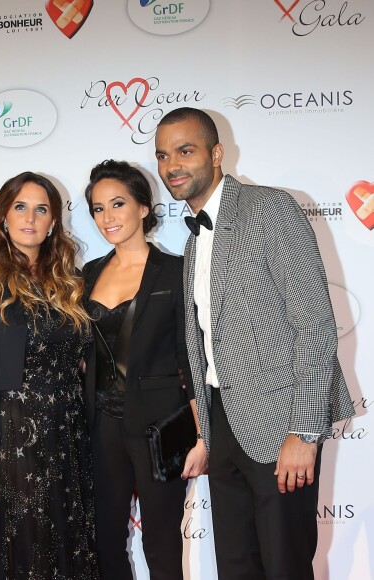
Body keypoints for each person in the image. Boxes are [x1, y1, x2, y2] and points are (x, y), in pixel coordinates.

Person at [154, 106, 355, 580]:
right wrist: (206, 433)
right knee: (237, 566)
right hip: (224, 427)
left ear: (217, 153)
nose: (172, 166)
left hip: (282, 423)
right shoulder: (193, 240)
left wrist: (303, 433)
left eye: (186, 150)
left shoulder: (270, 209)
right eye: (163, 155)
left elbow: (315, 326)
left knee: (285, 565)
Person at [0, 171, 99, 579]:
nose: (30, 218)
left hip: (68, 434)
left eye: (41, 209)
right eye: (20, 207)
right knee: (23, 547)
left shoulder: (68, 281)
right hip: (13, 438)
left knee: (68, 543)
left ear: (54, 221)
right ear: (3, 216)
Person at [81, 159, 207, 580]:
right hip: (100, 428)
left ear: (142, 207)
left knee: (161, 540)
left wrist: (202, 434)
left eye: (118, 204)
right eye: (98, 208)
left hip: (160, 429)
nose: (108, 217)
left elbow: (192, 355)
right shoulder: (89, 274)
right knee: (105, 537)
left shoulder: (174, 271)